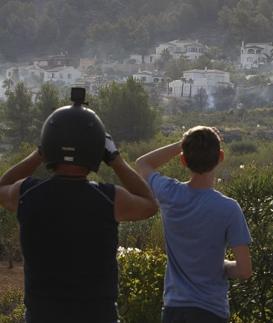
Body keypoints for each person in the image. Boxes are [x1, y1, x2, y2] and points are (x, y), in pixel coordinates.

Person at [0, 88, 158, 323]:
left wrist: (39, 153)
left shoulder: (27, 194)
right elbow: (150, 204)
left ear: (48, 145)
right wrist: (116, 160)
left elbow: (3, 186)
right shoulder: (110, 199)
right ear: (96, 150)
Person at [135, 126, 252, 323]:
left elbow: (143, 163)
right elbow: (244, 270)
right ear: (220, 157)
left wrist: (183, 143)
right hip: (211, 312)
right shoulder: (229, 209)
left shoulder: (169, 194)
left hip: (174, 310)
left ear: (183, 160)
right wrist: (220, 266)